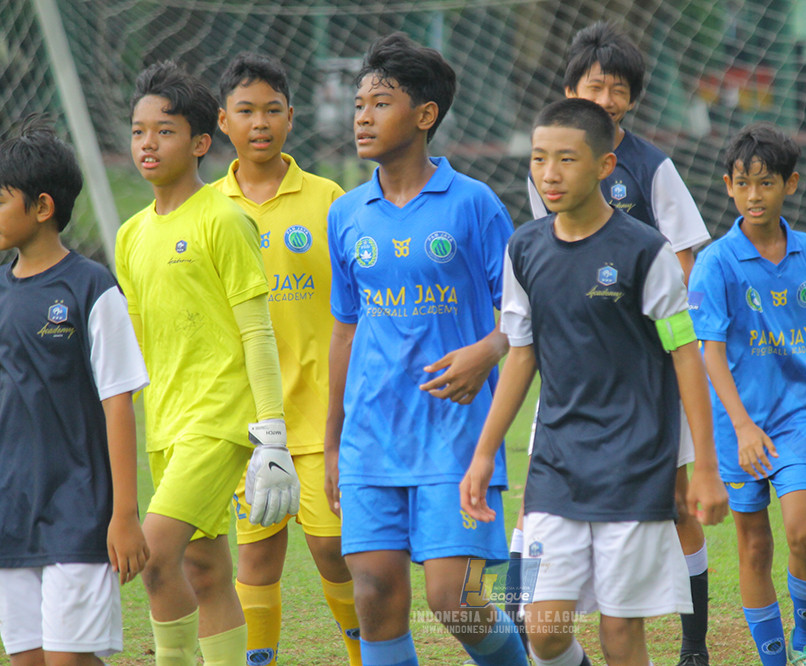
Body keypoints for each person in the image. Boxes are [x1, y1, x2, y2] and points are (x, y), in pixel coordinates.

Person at [462, 97, 728, 666]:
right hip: (555, 466)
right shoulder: (524, 249)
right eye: (538, 159)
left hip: (634, 467)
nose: (549, 174)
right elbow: (520, 357)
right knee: (543, 626)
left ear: (605, 167)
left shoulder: (646, 252)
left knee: (619, 631)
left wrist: (704, 466)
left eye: (566, 159)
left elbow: (686, 355)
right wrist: (484, 454)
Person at [324, 33, 528, 665]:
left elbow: (523, 316)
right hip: (371, 439)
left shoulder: (474, 205)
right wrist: (331, 443)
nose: (362, 116)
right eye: (359, 103)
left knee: (453, 599)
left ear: (425, 115)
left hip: (454, 436)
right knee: (376, 594)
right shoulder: (347, 214)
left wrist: (487, 350)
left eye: (380, 103)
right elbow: (345, 330)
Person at [521, 22, 714, 665]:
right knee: (537, 600)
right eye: (594, 85)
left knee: (680, 501)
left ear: (632, 99)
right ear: (570, 88)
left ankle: (693, 646)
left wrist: (643, 316)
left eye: (618, 88)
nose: (605, 97)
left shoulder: (653, 167)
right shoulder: (553, 169)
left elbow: (686, 257)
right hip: (573, 390)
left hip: (647, 377)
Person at [116, 61, 299, 666]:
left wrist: (271, 432)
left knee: (153, 554)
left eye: (164, 131)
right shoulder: (131, 234)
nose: (148, 143)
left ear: (199, 142)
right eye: (140, 130)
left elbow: (258, 331)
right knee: (204, 566)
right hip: (166, 424)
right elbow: (138, 346)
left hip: (220, 422)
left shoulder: (224, 218)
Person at [212, 52, 361, 666]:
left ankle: (365, 656)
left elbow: (356, 306)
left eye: (273, 109)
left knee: (334, 550)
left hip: (324, 414)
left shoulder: (331, 201)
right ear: (223, 121)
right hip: (252, 421)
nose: (260, 122)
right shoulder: (211, 209)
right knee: (257, 555)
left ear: (292, 118)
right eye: (246, 110)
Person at [687, 123, 806, 666]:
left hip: (799, 416)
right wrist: (744, 425)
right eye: (744, 183)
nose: (755, 195)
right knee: (753, 545)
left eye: (767, 183)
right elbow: (709, 351)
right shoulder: (715, 262)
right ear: (728, 186)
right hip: (737, 423)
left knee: (803, 531)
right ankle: (775, 658)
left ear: (790, 184)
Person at [0, 117, 149, 666]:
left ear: (42, 207)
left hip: (80, 515)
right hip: (11, 516)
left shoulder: (91, 288)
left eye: (0, 201)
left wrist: (125, 514)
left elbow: (119, 403)